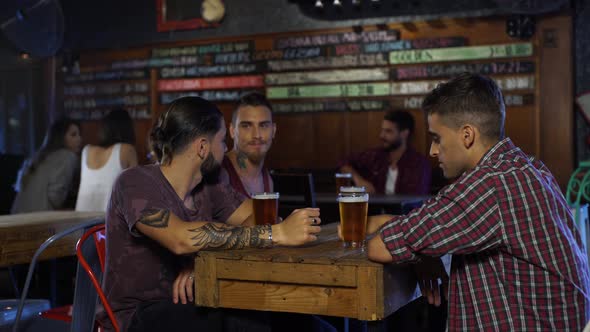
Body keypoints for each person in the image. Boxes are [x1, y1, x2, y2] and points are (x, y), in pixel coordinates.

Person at [365, 73, 590, 330]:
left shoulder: (489, 186)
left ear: (467, 135)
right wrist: (423, 252)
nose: (432, 151)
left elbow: (379, 247)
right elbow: (419, 231)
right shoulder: (523, 167)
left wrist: (419, 250)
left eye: (437, 138)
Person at [99, 97, 323, 332]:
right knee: (248, 322)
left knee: (304, 322)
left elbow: (261, 215)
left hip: (199, 297)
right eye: (222, 140)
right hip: (140, 314)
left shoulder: (211, 185)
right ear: (203, 147)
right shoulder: (135, 182)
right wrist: (274, 234)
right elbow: (181, 239)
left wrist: (201, 261)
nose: (226, 149)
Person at [339, 110, 431, 195]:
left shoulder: (419, 163)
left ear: (404, 134)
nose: (382, 135)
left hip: (404, 212)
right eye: (382, 130)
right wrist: (359, 180)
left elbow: (416, 200)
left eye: (388, 131)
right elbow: (344, 163)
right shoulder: (375, 155)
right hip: (374, 211)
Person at [11, 116, 82, 213]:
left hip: (17, 217)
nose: (79, 139)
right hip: (40, 220)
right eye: (73, 135)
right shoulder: (68, 156)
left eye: (79, 134)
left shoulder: (35, 157)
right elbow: (56, 198)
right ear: (60, 137)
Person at [75, 109, 138, 212]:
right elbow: (135, 193)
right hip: (106, 223)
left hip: (80, 223)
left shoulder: (86, 150)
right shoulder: (127, 149)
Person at [221, 92, 275, 197]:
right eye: (246, 126)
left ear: (273, 130)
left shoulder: (267, 179)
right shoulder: (220, 174)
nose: (257, 135)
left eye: (263, 125)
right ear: (232, 131)